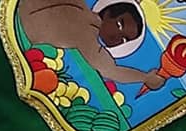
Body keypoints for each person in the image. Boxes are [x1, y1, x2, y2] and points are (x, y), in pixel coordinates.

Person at [19, 0, 166, 90]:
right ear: (107, 12)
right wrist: (146, 78)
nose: (117, 37)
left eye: (124, 39)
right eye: (119, 25)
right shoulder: (86, 32)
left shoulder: (83, 16)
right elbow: (111, 71)